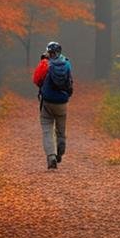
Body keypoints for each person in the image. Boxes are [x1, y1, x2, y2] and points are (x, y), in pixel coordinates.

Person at [32, 41, 73, 169]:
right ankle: (60, 152)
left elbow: (36, 80)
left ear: (48, 52)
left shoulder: (46, 63)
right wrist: (67, 95)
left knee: (47, 129)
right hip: (62, 102)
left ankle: (51, 156)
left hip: (48, 101)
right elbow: (70, 82)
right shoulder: (67, 63)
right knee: (61, 130)